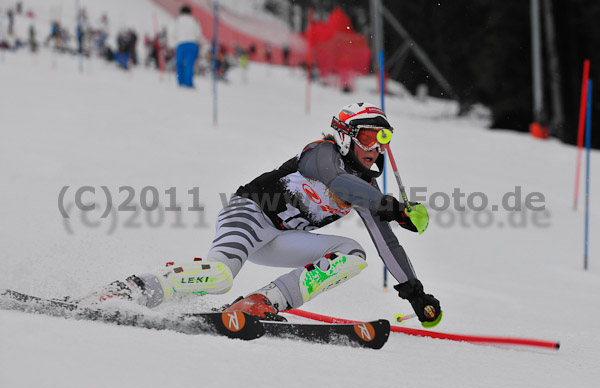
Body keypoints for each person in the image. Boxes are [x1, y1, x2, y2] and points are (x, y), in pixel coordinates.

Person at [79, 103, 442, 327]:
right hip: (249, 214)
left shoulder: (368, 191)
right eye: (368, 138)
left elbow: (386, 242)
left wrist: (415, 293)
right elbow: (338, 182)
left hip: (281, 240)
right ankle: (129, 290)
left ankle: (261, 302)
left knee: (353, 254)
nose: (375, 150)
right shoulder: (321, 152)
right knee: (219, 277)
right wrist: (393, 207)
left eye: (382, 141)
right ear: (346, 136)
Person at [173, 4, 203, 88]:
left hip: (181, 44)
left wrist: (171, 45)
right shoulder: (194, 20)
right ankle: (189, 83)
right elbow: (198, 34)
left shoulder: (178, 20)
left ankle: (180, 81)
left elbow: (173, 33)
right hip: (192, 44)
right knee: (189, 64)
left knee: (179, 64)